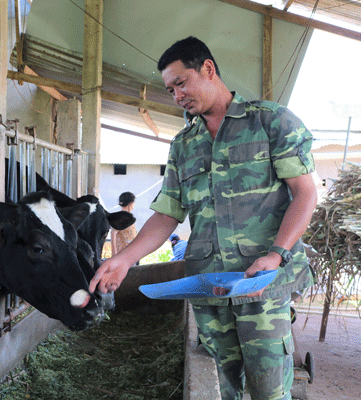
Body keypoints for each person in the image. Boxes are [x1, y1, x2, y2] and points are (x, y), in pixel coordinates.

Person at [89, 36, 317, 400]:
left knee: (269, 390)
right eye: (170, 89)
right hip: (209, 287)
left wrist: (277, 254)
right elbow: (167, 215)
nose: (177, 96)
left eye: (181, 83)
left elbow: (305, 194)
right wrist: (123, 260)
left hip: (262, 286)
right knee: (218, 387)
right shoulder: (183, 145)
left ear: (208, 69)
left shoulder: (270, 122)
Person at [110, 192, 138, 256]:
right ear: (131, 203)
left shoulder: (128, 216)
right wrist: (114, 254)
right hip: (123, 254)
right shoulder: (120, 217)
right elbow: (113, 233)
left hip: (131, 253)